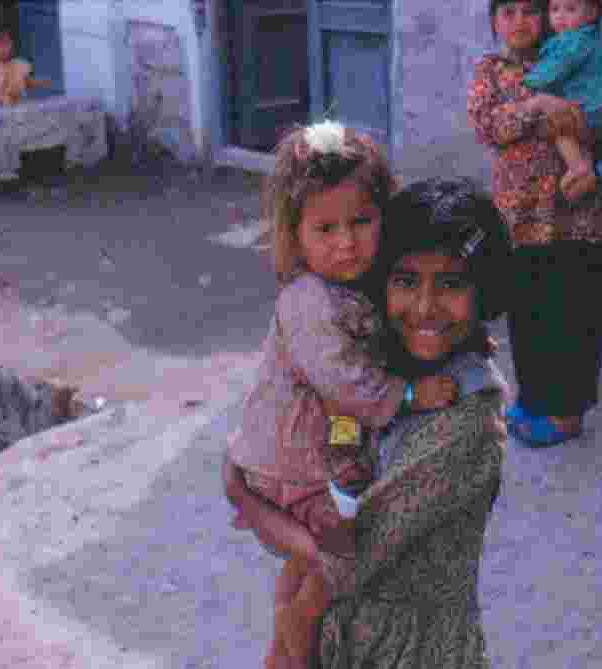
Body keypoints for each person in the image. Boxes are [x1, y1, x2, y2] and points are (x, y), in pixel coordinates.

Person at [224, 177, 513, 668]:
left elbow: (345, 555)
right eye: (405, 281)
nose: (425, 307)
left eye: (451, 284)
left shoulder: (465, 428)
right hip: (349, 642)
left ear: (484, 292)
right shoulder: (378, 370)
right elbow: (336, 439)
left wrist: (245, 497)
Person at [467, 0, 602, 447]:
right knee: (529, 311)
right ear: (494, 20)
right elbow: (488, 126)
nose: (519, 22)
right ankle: (535, 399)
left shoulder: (580, 58)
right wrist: (541, 105)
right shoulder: (490, 70)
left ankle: (567, 412)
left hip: (577, 214)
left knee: (575, 312)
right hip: (521, 216)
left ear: (548, 16)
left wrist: (570, 118)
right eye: (507, 12)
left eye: (529, 11)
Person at [522, 0, 602, 201]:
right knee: (579, 136)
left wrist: (531, 78)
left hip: (585, 109)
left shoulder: (571, 41)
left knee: (559, 127)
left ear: (592, 13)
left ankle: (578, 167)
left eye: (570, 9)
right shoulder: (601, 43)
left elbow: (554, 69)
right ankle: (585, 169)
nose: (560, 16)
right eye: (554, 9)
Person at [0, 28, 51, 107]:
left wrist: (38, 82)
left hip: (20, 102)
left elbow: (26, 82)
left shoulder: (21, 64)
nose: (1, 49)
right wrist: (2, 98)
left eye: (5, 44)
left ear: (11, 44)